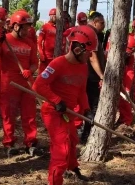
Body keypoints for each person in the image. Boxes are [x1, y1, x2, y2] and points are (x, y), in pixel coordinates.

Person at [32, 25, 97, 185]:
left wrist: (87, 109)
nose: (90, 56)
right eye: (88, 52)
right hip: (53, 112)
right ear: (78, 49)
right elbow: (38, 85)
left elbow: (81, 91)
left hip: (69, 113)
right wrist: (56, 100)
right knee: (62, 149)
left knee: (73, 140)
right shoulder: (57, 64)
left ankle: (73, 167)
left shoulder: (83, 67)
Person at [0, 10, 40, 157]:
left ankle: (31, 143)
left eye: (29, 27)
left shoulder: (30, 42)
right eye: (25, 27)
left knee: (29, 115)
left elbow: (35, 63)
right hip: (9, 84)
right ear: (16, 26)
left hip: (26, 83)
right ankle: (9, 143)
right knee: (8, 114)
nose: (28, 30)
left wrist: (30, 70)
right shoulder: (5, 40)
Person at [80, 11, 106, 144]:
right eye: (102, 23)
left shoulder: (85, 32)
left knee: (85, 105)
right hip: (90, 76)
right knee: (91, 106)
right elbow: (93, 57)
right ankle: (86, 134)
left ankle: (83, 132)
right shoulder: (91, 34)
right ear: (95, 22)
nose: (104, 25)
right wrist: (102, 76)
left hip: (83, 75)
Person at [37, 8, 57, 73]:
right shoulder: (45, 27)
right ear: (50, 16)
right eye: (53, 15)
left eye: (56, 15)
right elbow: (39, 41)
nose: (55, 17)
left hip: (55, 57)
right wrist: (41, 54)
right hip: (46, 57)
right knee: (42, 74)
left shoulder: (59, 28)